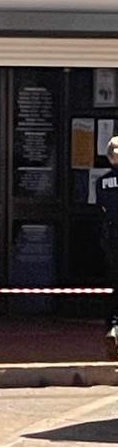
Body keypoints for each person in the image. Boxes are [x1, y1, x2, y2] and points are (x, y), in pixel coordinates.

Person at [96, 136, 118, 352]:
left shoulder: (101, 182)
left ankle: (112, 325)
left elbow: (102, 208)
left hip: (112, 239)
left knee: (114, 284)